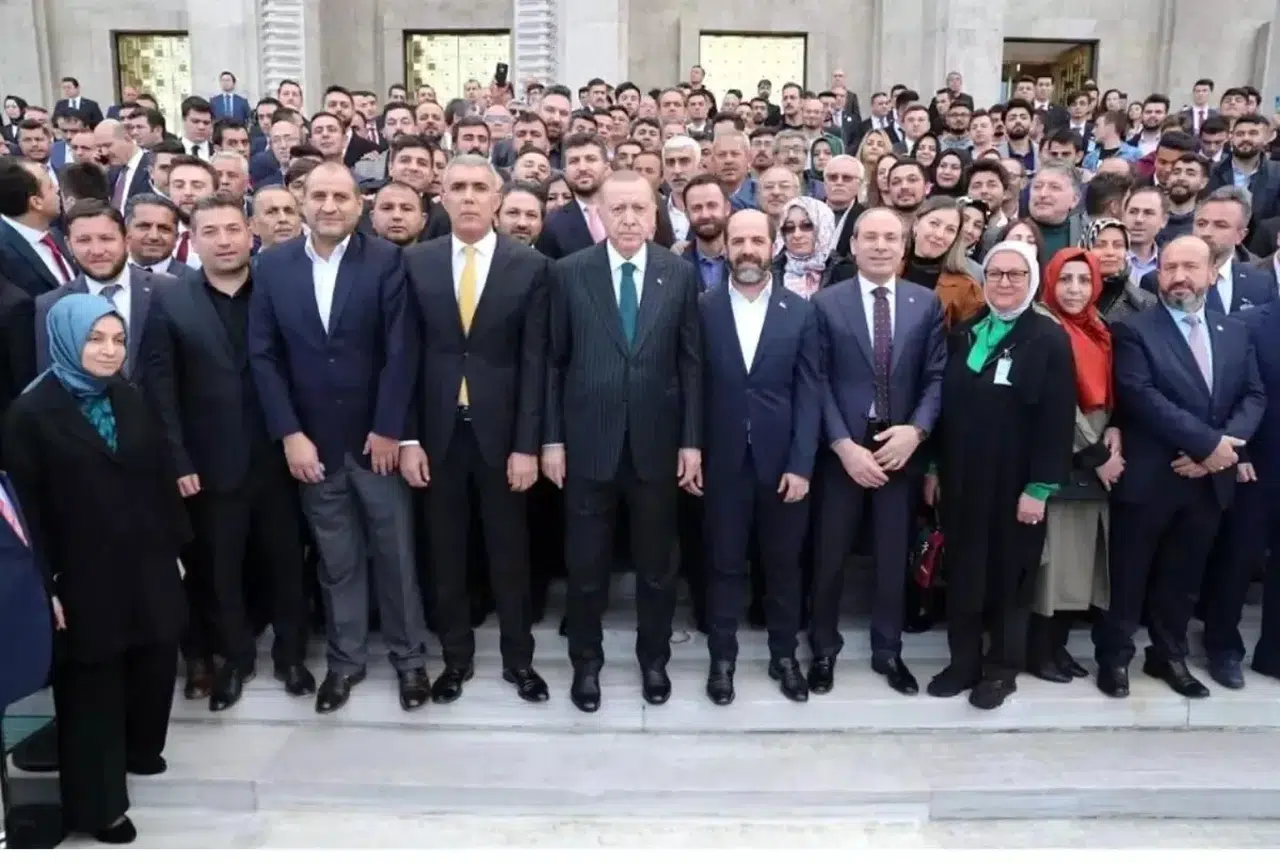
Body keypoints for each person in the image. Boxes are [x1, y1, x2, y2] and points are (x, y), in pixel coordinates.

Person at [4, 294, 189, 844]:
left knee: (153, 660)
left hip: (145, 560)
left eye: (117, 340)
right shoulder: (29, 415)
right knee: (92, 688)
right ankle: (100, 808)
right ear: (65, 340)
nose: (110, 351)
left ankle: (139, 751)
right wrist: (44, 586)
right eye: (95, 339)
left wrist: (174, 547)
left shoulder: (125, 396)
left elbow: (156, 475)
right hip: (80, 574)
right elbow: (25, 514)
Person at [249, 161, 429, 714]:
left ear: (359, 205)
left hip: (375, 442)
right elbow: (263, 355)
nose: (329, 206)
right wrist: (289, 433)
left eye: (341, 197)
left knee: (395, 556)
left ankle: (410, 660)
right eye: (319, 196)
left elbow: (402, 350)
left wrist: (390, 428)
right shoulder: (272, 265)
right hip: (313, 445)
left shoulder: (387, 260)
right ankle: (345, 662)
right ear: (302, 201)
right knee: (337, 560)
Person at [141, 193, 313, 712]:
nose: (223, 241)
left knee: (288, 563)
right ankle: (235, 660)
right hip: (210, 464)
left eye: (232, 229)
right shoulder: (170, 300)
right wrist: (177, 460)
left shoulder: (279, 288)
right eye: (210, 232)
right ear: (192, 241)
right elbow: (161, 390)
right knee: (220, 569)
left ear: (251, 233)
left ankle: (292, 656)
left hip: (280, 454)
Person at [542, 169, 702, 713]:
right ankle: (586, 665)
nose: (629, 219)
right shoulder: (569, 273)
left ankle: (653, 660)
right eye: (619, 209)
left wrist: (691, 442)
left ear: (654, 216)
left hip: (657, 446)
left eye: (639, 209)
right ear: (601, 216)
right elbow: (554, 363)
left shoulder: (678, 274)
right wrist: (551, 441)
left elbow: (690, 363)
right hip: (588, 445)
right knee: (586, 568)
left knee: (657, 568)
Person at [400, 154, 551, 704]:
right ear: (440, 197)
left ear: (497, 199)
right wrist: (408, 437)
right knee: (446, 556)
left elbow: (535, 362)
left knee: (510, 554)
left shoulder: (530, 266)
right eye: (457, 187)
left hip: (503, 438)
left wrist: (527, 445)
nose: (468, 197)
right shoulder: (415, 262)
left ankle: (519, 662)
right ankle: (455, 661)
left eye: (478, 188)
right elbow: (403, 357)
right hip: (437, 437)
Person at [1093, 235, 1265, 699]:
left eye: (1190, 267)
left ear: (1211, 273)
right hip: (1151, 477)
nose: (1178, 277)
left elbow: (1253, 395)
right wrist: (1209, 445)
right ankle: (1114, 656)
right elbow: (1141, 395)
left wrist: (1221, 451)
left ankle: (1167, 655)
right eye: (1170, 268)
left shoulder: (1234, 330)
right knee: (1128, 576)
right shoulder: (1134, 329)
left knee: (1183, 579)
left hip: (1207, 483)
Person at [927, 240, 1076, 710]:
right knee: (964, 574)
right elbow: (945, 409)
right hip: (963, 480)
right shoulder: (966, 332)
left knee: (1010, 578)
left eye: (1016, 274)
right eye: (995, 274)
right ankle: (963, 663)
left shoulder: (1048, 338)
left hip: (1016, 483)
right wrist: (933, 467)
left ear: (1031, 281)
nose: (1005, 282)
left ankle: (1001, 670)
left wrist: (1040, 488)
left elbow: (1057, 420)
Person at [809, 207, 947, 697]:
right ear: (853, 245)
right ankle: (822, 649)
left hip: (899, 451)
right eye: (870, 237)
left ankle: (888, 650)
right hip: (842, 451)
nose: (881, 245)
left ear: (903, 246)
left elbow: (936, 376)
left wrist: (917, 431)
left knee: (893, 558)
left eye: (891, 237)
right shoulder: (825, 304)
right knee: (829, 556)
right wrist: (842, 445)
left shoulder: (925, 303)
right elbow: (816, 380)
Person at [699, 208, 820, 705]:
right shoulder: (701, 308)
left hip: (782, 464)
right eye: (738, 241)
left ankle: (784, 656)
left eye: (757, 240)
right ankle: (722, 660)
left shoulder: (801, 311)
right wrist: (692, 451)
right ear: (725, 247)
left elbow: (810, 393)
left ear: (774, 247)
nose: (747, 250)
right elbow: (690, 387)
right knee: (723, 564)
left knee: (783, 566)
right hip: (721, 460)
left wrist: (802, 464)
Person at [1026, 248, 1119, 682]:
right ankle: (1038, 651)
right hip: (1061, 457)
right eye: (1065, 279)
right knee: (1052, 563)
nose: (1075, 289)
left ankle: (1057, 648)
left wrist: (1115, 429)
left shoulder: (1097, 326)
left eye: (1084, 280)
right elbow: (1056, 402)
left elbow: (1112, 390)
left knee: (1078, 561)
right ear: (1050, 282)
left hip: (1095, 456)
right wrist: (1095, 454)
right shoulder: (1042, 327)